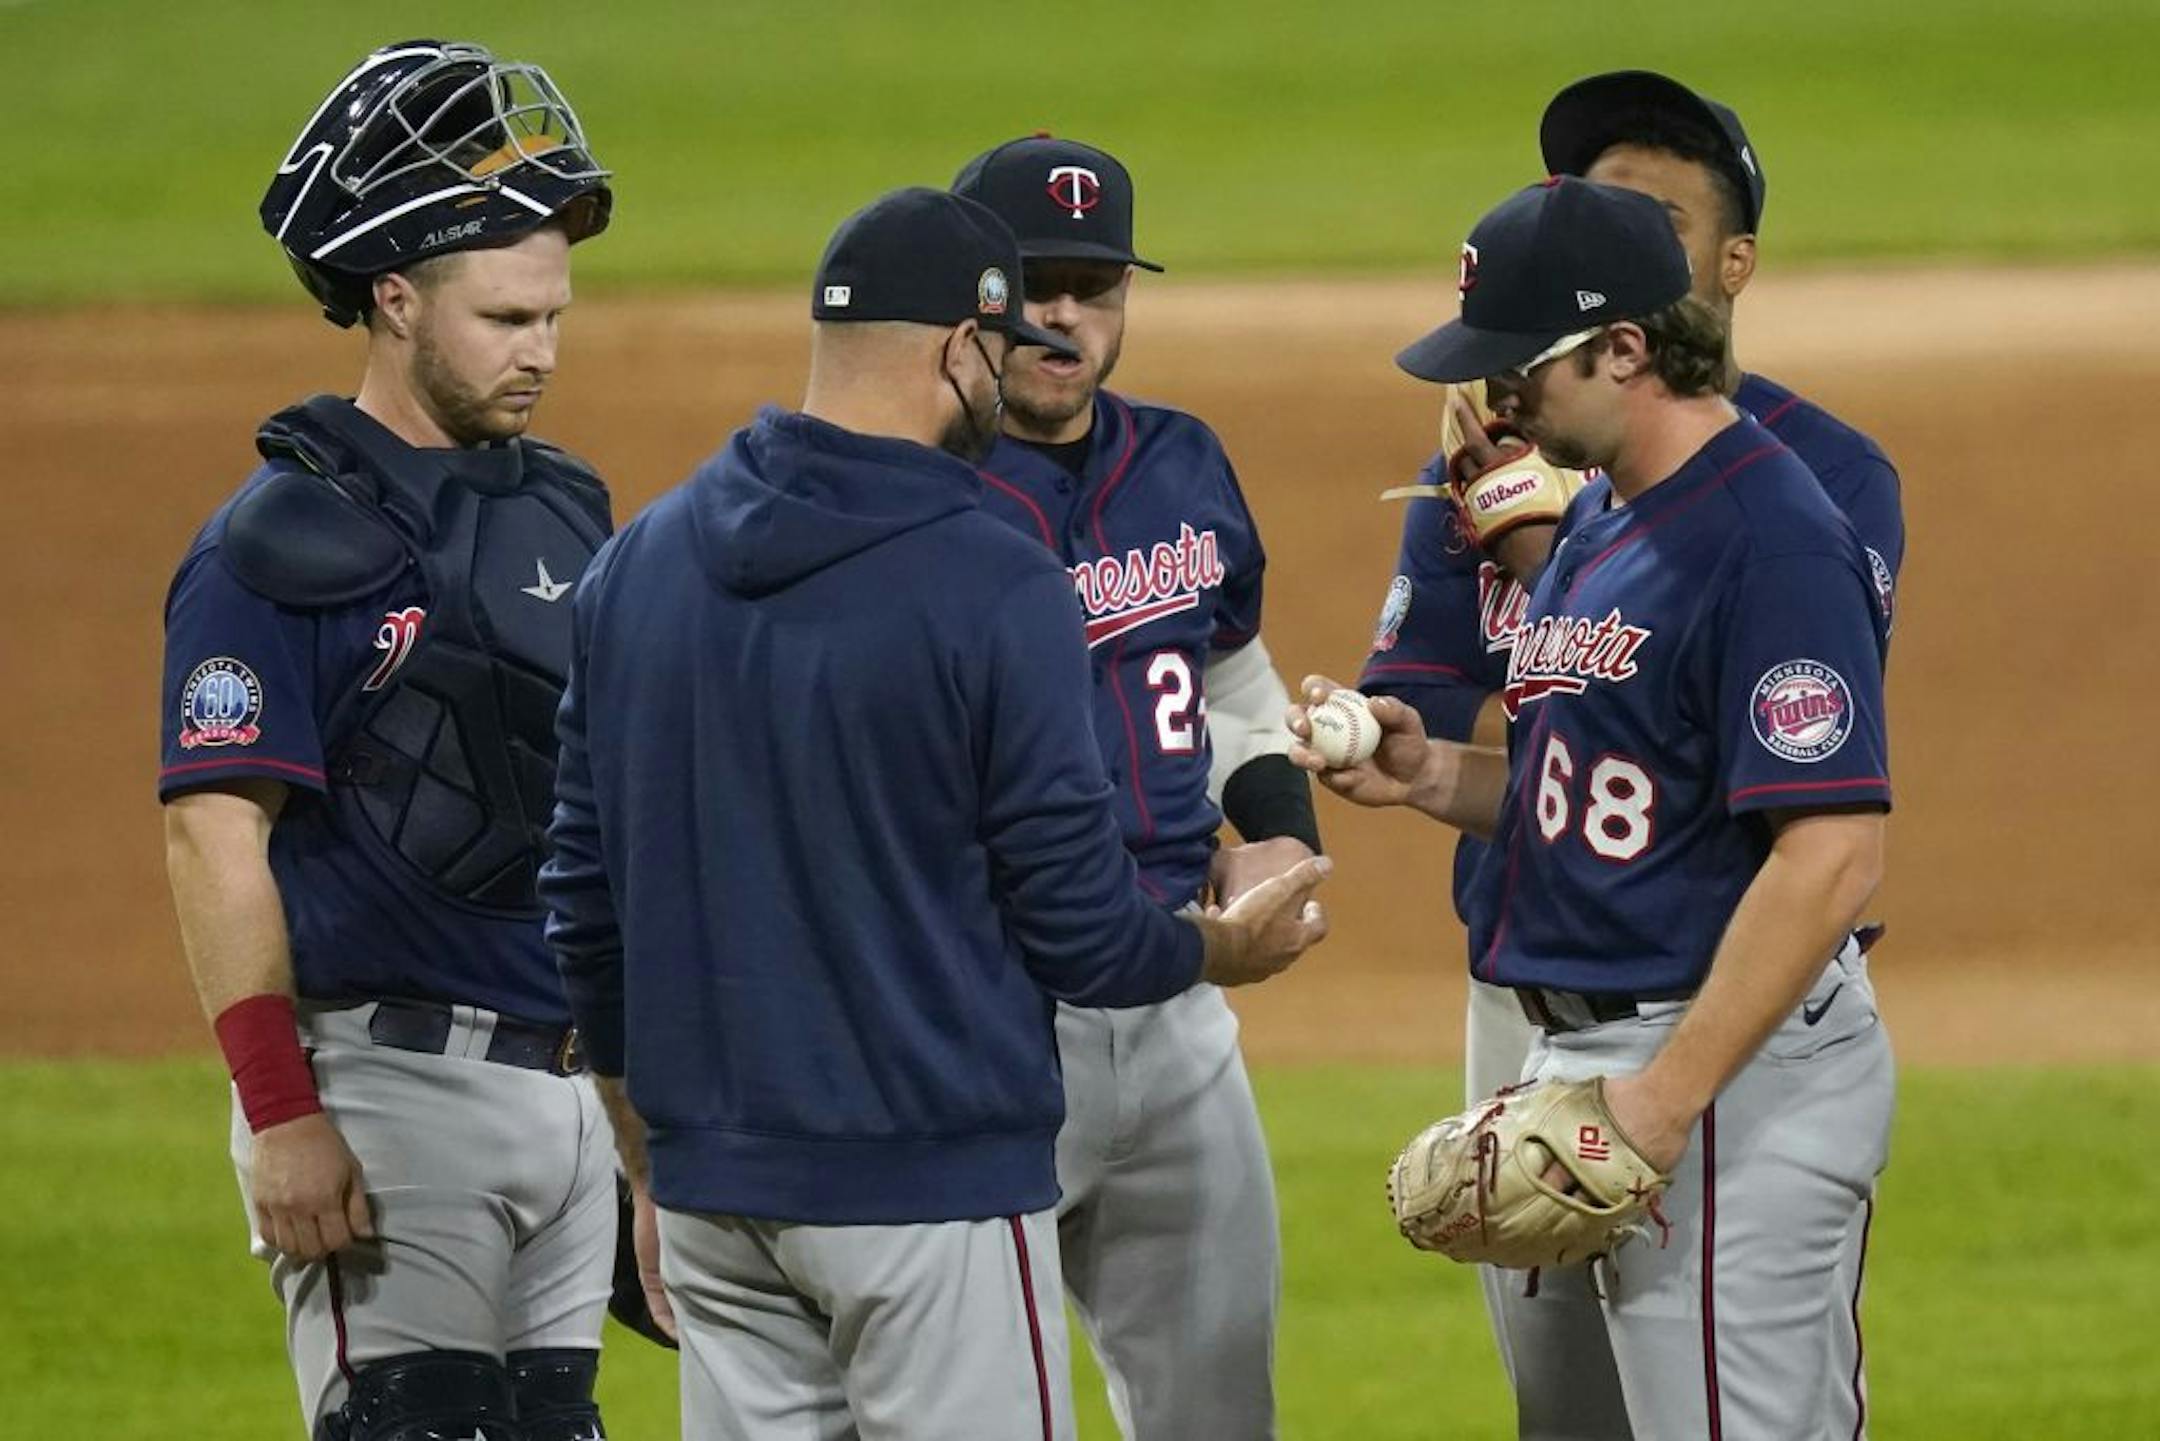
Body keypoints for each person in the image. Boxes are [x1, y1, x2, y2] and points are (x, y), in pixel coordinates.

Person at [539, 186, 1331, 1441]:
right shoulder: (988, 572)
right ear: (964, 350)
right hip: (932, 1176)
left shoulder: (637, 559)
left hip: (715, 1188)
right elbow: (1079, 925)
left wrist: (643, 1149)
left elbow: (582, 897)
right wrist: (1212, 951)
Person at [1299, 175, 1895, 1440]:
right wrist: (1427, 775)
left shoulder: (1771, 541)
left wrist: (1664, 1100)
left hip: (1726, 1081)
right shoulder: (1597, 518)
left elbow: (1833, 850)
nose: (1496, 400)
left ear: (1627, 347)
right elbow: (1596, 792)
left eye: (1521, 367)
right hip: (1584, 1063)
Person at [159, 40, 621, 1441]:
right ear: (396, 297)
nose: (539, 348)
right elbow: (210, 828)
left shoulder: (570, 507)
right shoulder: (273, 547)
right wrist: (282, 1111)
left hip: (561, 1096)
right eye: (502, 317)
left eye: (552, 314)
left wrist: (638, 1124)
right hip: (384, 1097)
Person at [949, 134, 1320, 1441]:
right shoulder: (913, 492)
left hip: (1179, 1013)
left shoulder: (1180, 460)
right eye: (1034, 281)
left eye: (1094, 285)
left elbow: (1228, 672)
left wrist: (1277, 833)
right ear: (973, 297)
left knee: (1222, 1416)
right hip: (986, 1021)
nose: (1065, 313)